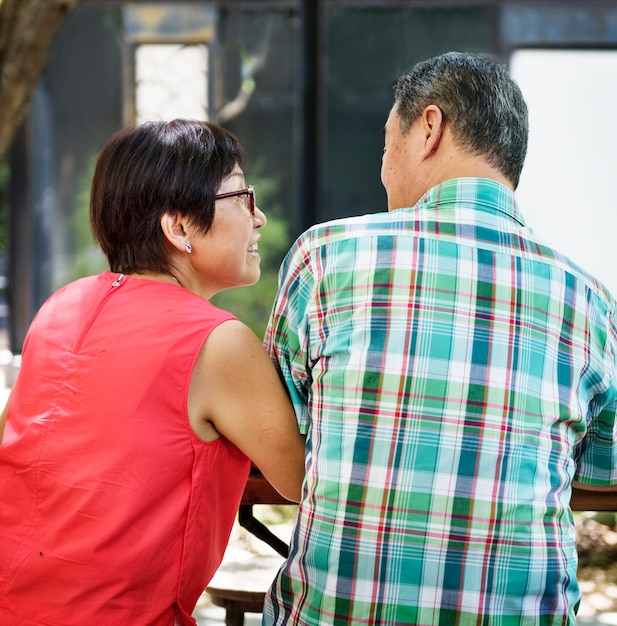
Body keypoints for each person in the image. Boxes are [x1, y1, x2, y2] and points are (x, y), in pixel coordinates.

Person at [263, 51, 617, 625]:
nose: (383, 168)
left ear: (429, 128)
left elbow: (284, 424)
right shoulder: (589, 300)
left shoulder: (325, 256)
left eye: (386, 144)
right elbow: (601, 468)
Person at [0, 119, 305, 626]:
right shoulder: (216, 341)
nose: (260, 218)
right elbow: (304, 480)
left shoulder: (61, 305)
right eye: (241, 197)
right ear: (179, 227)